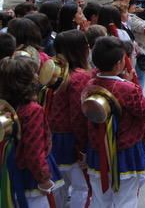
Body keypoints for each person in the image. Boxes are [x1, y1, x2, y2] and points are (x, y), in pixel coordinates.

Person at [85, 36, 145, 207]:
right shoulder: (128, 89)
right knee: (126, 200)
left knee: (99, 199)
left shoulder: (90, 84)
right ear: (120, 63)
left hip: (98, 151)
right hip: (125, 153)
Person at [0, 55, 63, 207]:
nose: (37, 75)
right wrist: (43, 178)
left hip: (9, 170)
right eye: (34, 73)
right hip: (30, 175)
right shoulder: (32, 110)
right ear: (25, 81)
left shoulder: (5, 105)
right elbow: (34, 150)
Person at [49, 30, 92, 208]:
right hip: (72, 139)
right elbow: (78, 115)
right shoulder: (80, 77)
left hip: (54, 136)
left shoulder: (54, 74)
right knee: (81, 188)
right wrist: (82, 147)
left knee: (60, 187)